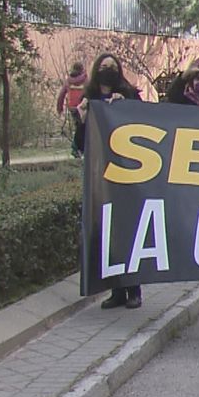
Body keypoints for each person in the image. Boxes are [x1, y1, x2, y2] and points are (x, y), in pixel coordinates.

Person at [77, 53, 143, 310]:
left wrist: (126, 106)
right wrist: (82, 119)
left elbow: (144, 123)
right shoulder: (89, 99)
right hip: (100, 177)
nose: (108, 71)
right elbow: (79, 144)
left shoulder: (128, 93)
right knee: (108, 234)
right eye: (104, 67)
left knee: (128, 232)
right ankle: (117, 291)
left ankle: (134, 290)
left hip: (126, 175)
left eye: (113, 67)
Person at [57, 62, 88, 158]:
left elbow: (62, 94)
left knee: (79, 126)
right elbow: (91, 91)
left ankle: (78, 148)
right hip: (83, 107)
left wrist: (59, 107)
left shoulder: (68, 81)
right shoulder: (86, 80)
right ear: (82, 69)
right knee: (82, 127)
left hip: (72, 108)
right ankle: (76, 148)